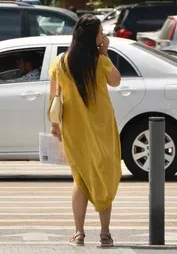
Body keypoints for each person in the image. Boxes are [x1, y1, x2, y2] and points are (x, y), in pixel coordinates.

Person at [49, 14, 122, 247]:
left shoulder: (60, 62)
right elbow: (116, 81)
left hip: (73, 128)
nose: (103, 37)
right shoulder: (99, 61)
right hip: (101, 128)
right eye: (101, 33)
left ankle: (79, 233)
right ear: (93, 37)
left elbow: (53, 97)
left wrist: (55, 126)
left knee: (80, 179)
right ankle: (105, 233)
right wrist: (105, 52)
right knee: (104, 175)